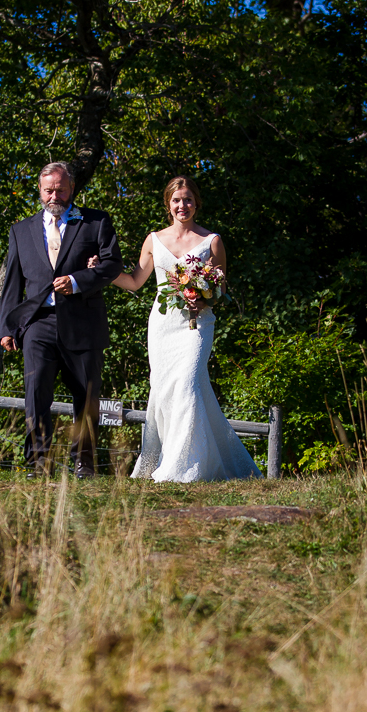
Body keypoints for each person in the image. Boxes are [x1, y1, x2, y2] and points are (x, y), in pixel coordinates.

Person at [90, 175, 262, 482]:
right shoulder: (154, 240)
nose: (182, 205)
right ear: (168, 204)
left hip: (197, 326)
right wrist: (102, 271)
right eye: (176, 200)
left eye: (188, 199)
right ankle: (186, 459)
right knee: (167, 390)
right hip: (162, 324)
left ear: (197, 203)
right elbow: (134, 282)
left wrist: (207, 298)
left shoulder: (212, 241)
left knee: (187, 384)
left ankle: (182, 467)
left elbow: (220, 287)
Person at [0, 161, 123, 478]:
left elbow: (111, 266)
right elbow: (12, 283)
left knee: (87, 395)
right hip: (37, 323)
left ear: (71, 189)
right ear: (40, 191)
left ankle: (84, 464)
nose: (55, 195)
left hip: (83, 322)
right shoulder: (21, 231)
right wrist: (7, 327)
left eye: (61, 188)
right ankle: (38, 463)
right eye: (49, 189)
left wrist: (79, 280)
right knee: (36, 392)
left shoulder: (96, 223)